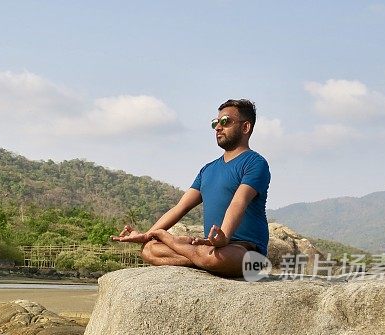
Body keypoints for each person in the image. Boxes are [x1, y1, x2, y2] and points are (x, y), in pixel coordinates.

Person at [112, 99, 270, 277]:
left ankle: (185, 248)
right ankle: (198, 258)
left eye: (225, 121)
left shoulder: (255, 162)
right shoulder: (208, 169)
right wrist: (147, 235)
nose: (218, 127)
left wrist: (224, 237)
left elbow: (238, 202)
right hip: (209, 248)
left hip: (246, 251)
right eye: (215, 123)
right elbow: (181, 207)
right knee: (149, 250)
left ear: (245, 127)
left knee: (213, 257)